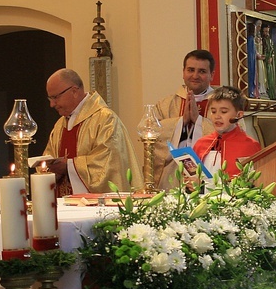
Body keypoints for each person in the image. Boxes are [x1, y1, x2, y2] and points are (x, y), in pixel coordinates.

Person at [44, 68, 142, 195]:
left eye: (55, 97)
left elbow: (108, 165)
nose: (52, 104)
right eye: (49, 98)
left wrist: (69, 166)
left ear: (74, 91)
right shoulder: (59, 126)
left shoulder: (105, 119)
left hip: (95, 208)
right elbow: (48, 158)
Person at [153, 50, 217, 189]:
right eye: (191, 70)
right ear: (183, 72)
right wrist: (180, 122)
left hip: (209, 175)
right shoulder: (166, 104)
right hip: (172, 175)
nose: (195, 75)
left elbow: (233, 135)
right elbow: (150, 134)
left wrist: (199, 121)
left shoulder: (223, 104)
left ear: (212, 75)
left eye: (202, 71)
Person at [193, 86, 261, 178]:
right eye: (213, 111)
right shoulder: (201, 144)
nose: (217, 116)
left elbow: (256, 182)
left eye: (223, 112)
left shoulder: (250, 146)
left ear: (239, 115)